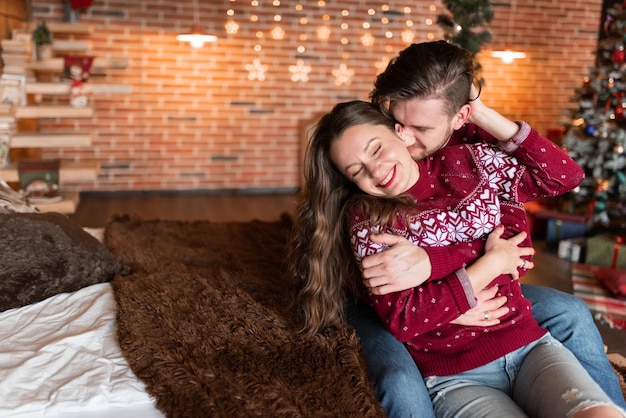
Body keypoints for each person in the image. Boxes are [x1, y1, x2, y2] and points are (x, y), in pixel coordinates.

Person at [293, 99, 625, 417]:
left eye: (377, 149)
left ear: (402, 132)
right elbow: (406, 318)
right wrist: (490, 265)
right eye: (357, 171)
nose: (376, 170)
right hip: (454, 376)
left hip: (528, 346)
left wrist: (480, 112)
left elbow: (563, 175)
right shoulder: (369, 219)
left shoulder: (469, 162)